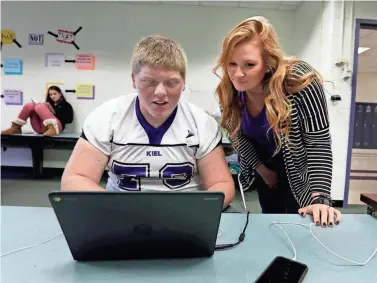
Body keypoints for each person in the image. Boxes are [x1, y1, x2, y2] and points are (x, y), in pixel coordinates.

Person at [61, 35, 235, 208]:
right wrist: (118, 209)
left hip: (185, 218)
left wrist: (192, 214)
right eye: (149, 81)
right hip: (119, 215)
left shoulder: (201, 123)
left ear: (183, 82)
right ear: (133, 80)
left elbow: (221, 184)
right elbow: (74, 180)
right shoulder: (106, 118)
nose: (160, 92)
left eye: (171, 82)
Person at [213, 16, 342, 226]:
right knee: (271, 219)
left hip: (298, 160)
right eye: (232, 63)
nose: (238, 74)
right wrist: (263, 171)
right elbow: (238, 139)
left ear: (268, 62)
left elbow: (317, 143)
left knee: (301, 218)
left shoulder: (299, 81)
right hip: (264, 161)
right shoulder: (229, 92)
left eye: (249, 64)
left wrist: (320, 198)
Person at [1, 86, 73, 136]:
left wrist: (53, 113)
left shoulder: (66, 105)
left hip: (56, 128)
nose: (53, 96)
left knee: (39, 106)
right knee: (30, 105)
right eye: (50, 94)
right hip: (41, 128)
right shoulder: (48, 104)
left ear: (60, 94)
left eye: (55, 94)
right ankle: (16, 128)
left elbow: (70, 120)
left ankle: (52, 128)